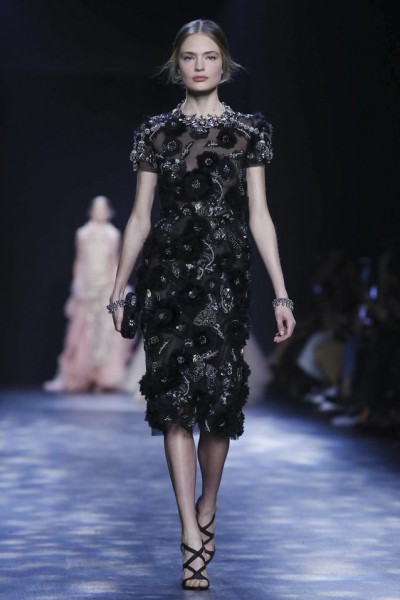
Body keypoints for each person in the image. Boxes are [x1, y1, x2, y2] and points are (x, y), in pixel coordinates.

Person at [108, 19, 296, 590]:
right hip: (167, 280)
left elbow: (260, 216)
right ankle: (189, 529)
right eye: (189, 57)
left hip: (225, 281)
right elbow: (139, 218)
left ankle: (208, 502)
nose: (198, 66)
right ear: (177, 64)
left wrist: (281, 292)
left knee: (220, 403)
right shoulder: (155, 133)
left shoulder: (249, 131)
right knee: (173, 404)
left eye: (209, 56)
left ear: (224, 64)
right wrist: (118, 289)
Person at [44, 196, 132, 393]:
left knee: (106, 332)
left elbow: (114, 261)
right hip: (88, 287)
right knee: (81, 331)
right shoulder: (82, 234)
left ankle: (102, 377)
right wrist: (78, 282)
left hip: (105, 287)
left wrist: (118, 287)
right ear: (91, 211)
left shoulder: (113, 234)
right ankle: (81, 376)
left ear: (108, 211)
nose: (100, 212)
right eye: (97, 208)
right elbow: (80, 261)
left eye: (103, 208)